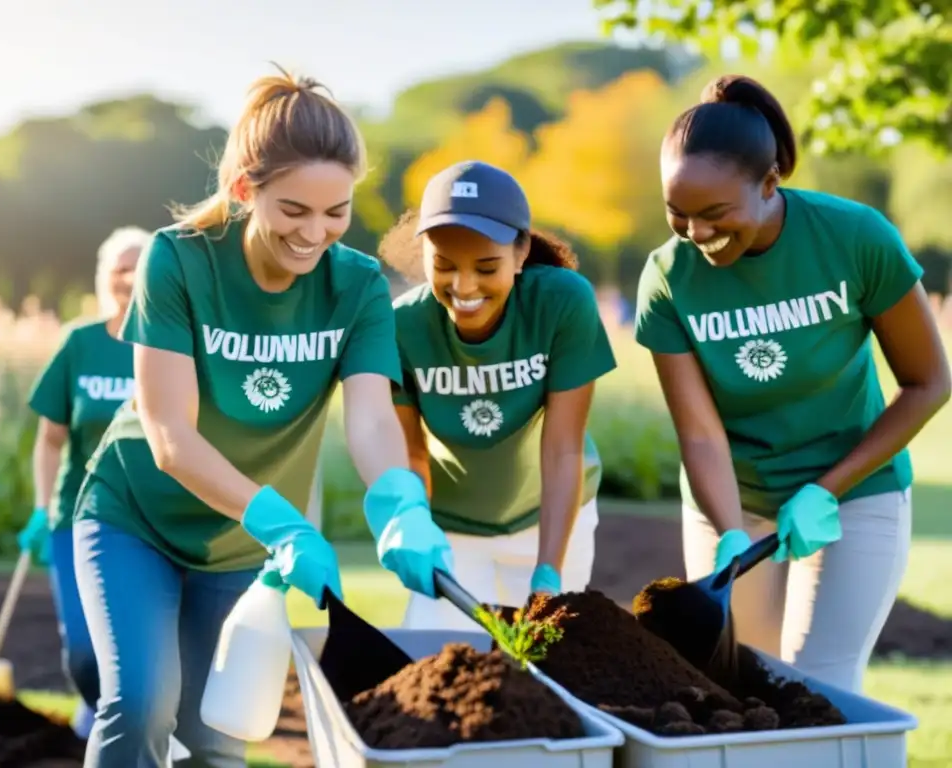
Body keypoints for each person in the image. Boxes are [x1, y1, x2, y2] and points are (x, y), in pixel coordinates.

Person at [70, 69, 453, 768]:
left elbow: (369, 419)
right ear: (246, 190)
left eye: (335, 212)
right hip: (137, 518)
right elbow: (169, 436)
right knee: (143, 704)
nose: (315, 234)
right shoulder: (179, 260)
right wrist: (285, 524)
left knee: (218, 735)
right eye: (293, 210)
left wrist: (400, 504)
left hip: (244, 546)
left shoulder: (358, 284)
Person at [633, 74, 951, 693]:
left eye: (715, 213)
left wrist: (826, 490)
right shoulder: (667, 278)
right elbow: (700, 434)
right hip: (733, 498)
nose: (697, 234)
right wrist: (728, 531)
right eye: (678, 215)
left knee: (818, 685)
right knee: (737, 684)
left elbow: (929, 381)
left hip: (855, 489)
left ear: (770, 181)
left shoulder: (856, 238)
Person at [378, 160, 617, 631]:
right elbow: (411, 452)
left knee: (551, 671)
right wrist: (414, 522)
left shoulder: (562, 302)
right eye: (444, 266)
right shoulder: (401, 325)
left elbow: (563, 445)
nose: (464, 286)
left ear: (521, 250)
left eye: (486, 267)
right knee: (442, 666)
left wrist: (549, 569)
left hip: (551, 519)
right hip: (451, 532)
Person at [18, 225, 149, 740]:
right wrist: (40, 507)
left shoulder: (173, 344)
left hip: (150, 522)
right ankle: (100, 710)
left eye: (140, 266)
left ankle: (125, 730)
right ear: (104, 278)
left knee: (140, 642)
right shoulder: (80, 344)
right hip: (78, 515)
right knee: (83, 647)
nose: (130, 277)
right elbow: (50, 439)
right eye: (120, 268)